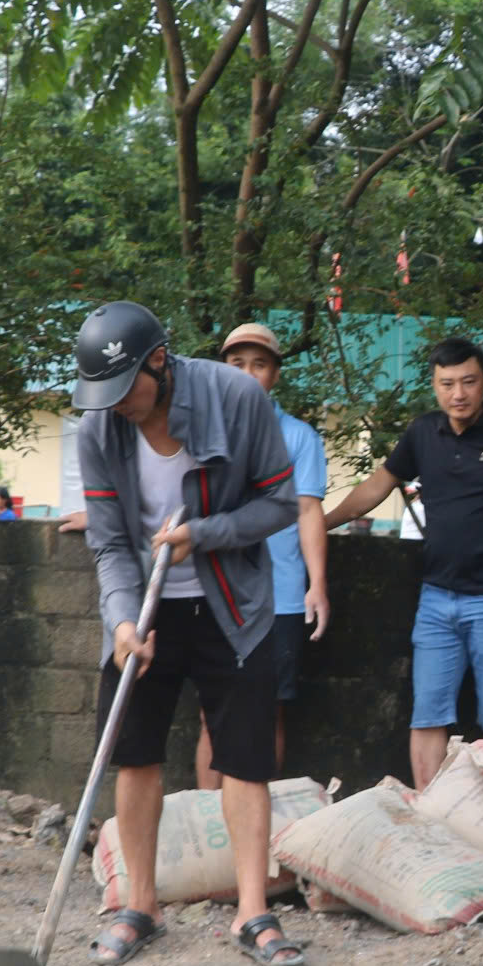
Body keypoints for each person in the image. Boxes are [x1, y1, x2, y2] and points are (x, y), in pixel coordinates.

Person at [69, 301, 303, 966]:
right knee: (135, 752)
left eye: (125, 391)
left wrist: (202, 535)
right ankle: (139, 906)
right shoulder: (98, 428)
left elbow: (279, 504)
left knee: (246, 760)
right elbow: (110, 544)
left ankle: (254, 910)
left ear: (160, 362)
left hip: (233, 604)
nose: (116, 407)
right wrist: (120, 620)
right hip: (143, 609)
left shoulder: (235, 396)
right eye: (102, 397)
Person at [321, 338, 483, 788]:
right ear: (435, 386)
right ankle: (431, 817)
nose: (458, 393)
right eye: (447, 383)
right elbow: (375, 488)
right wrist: (320, 524)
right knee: (427, 715)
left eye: (468, 382)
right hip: (436, 599)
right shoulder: (422, 433)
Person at [199, 321, 327, 782]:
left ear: (274, 374)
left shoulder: (299, 437)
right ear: (221, 371)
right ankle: (211, 829)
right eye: (237, 364)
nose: (248, 374)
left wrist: (317, 585)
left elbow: (309, 511)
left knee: (267, 711)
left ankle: (259, 829)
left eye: (259, 365)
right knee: (211, 717)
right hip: (214, 592)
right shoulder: (200, 433)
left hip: (281, 597)